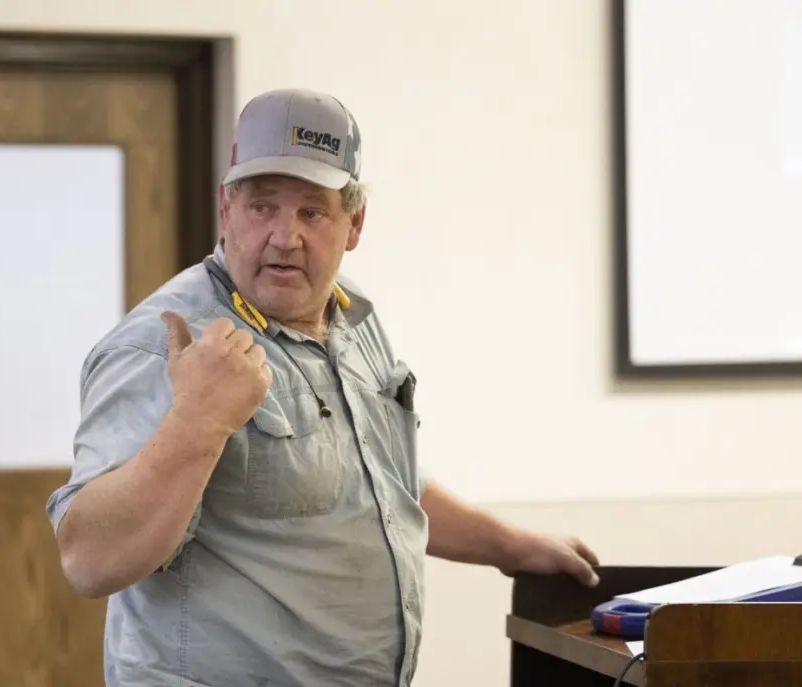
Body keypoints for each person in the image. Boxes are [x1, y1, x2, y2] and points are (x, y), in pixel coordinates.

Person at [47, 88, 599, 687]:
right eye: (262, 207)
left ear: (354, 223)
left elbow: (377, 487)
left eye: (312, 211)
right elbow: (89, 561)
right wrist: (199, 421)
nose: (285, 237)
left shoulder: (350, 317)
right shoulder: (167, 345)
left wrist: (510, 548)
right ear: (225, 209)